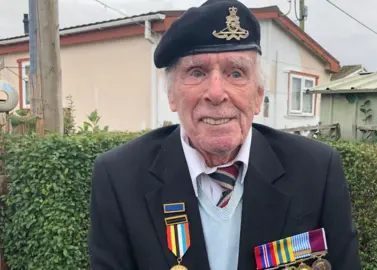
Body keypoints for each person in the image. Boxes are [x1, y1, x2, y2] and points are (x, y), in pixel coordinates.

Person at [87, 0, 362, 269]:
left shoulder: (316, 170)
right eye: (197, 72)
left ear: (257, 96)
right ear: (171, 95)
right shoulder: (119, 178)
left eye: (236, 72)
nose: (217, 93)